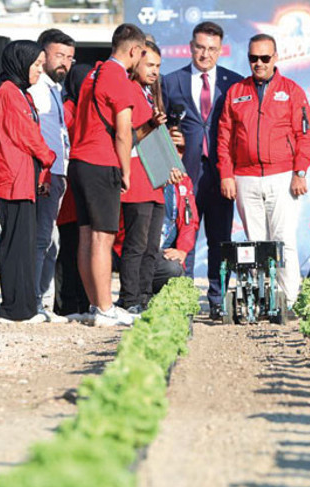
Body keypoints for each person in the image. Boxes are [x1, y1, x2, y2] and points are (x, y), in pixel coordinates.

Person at [217, 33, 310, 307]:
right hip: (245, 177)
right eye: (253, 58)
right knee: (254, 244)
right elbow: (224, 138)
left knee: (283, 240)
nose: (258, 63)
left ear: (275, 58)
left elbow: (306, 134)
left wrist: (300, 172)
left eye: (264, 57)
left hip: (282, 176)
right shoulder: (236, 92)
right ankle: (259, 300)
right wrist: (226, 174)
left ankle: (289, 300)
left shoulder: (292, 90)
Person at [162, 21, 243, 320]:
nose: (205, 54)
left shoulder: (234, 83)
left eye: (211, 49)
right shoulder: (171, 82)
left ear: (220, 51)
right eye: (200, 47)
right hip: (185, 174)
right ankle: (184, 298)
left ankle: (218, 299)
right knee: (184, 237)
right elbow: (160, 127)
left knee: (220, 240)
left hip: (222, 174)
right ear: (190, 47)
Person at [68, 23, 147, 327]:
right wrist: (126, 170)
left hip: (79, 161)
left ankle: (96, 305)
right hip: (101, 162)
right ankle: (104, 308)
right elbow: (124, 133)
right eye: (142, 54)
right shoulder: (119, 78)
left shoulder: (94, 73)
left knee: (87, 236)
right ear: (134, 50)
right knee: (103, 237)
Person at [0, 40, 55, 324]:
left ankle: (25, 307)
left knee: (23, 243)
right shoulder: (9, 92)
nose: (39, 70)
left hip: (22, 176)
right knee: (15, 244)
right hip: (12, 176)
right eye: (36, 64)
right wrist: (48, 157)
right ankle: (14, 309)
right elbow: (26, 134)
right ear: (21, 63)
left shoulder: (20, 92)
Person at [118, 40, 179, 314]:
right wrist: (151, 125)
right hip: (136, 179)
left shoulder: (148, 94)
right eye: (149, 65)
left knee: (152, 246)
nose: (155, 71)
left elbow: (155, 139)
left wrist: (169, 166)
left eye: (158, 66)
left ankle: (143, 297)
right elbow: (127, 136)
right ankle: (129, 299)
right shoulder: (128, 89)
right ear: (136, 63)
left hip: (155, 180)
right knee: (136, 245)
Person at [27, 29, 74, 323]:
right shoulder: (35, 89)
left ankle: (42, 302)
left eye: (69, 57)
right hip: (44, 173)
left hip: (59, 173)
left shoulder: (55, 89)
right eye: (59, 55)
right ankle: (31, 302)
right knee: (40, 240)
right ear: (42, 55)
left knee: (50, 242)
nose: (64, 62)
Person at [54, 63, 91, 319]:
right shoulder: (67, 110)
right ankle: (67, 303)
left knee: (84, 248)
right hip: (69, 192)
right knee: (69, 249)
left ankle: (84, 301)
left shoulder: (89, 109)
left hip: (85, 191)